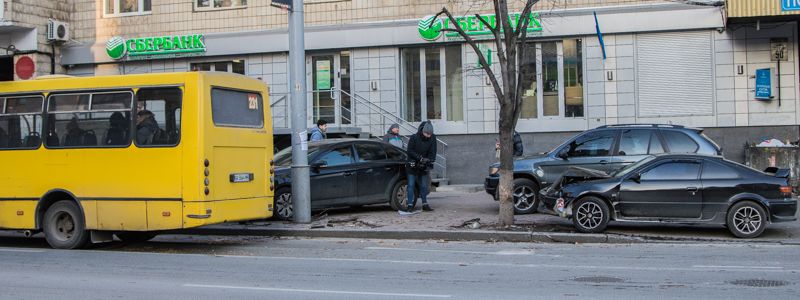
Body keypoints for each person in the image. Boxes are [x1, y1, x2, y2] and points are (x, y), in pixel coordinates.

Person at [402, 121, 436, 214]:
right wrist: (420, 158)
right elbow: (409, 151)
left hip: (424, 165)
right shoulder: (414, 137)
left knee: (424, 185)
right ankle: (409, 205)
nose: (428, 136)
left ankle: (425, 204)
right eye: (427, 133)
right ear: (422, 131)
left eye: (430, 134)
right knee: (411, 185)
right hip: (412, 164)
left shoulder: (432, 138)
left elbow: (433, 151)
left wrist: (429, 160)